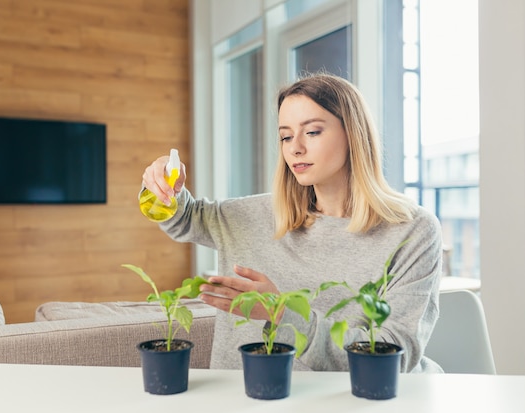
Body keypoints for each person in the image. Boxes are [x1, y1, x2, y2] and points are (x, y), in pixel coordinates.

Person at [141, 73, 443, 373]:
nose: (295, 148)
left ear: (353, 134)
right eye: (286, 136)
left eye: (312, 132)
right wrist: (163, 186)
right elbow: (184, 218)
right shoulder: (255, 216)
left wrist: (281, 312)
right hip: (247, 399)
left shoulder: (413, 231)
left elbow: (395, 356)